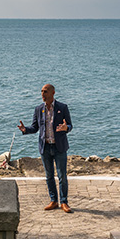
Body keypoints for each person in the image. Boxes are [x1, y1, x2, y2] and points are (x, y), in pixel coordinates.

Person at [18, 84, 73, 213]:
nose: (43, 94)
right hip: (45, 147)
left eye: (45, 91)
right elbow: (35, 127)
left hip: (59, 147)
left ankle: (64, 202)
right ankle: (53, 200)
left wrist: (66, 128)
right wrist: (25, 130)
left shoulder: (62, 107)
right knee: (49, 176)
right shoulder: (38, 109)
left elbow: (70, 125)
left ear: (53, 93)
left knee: (62, 176)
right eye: (41, 91)